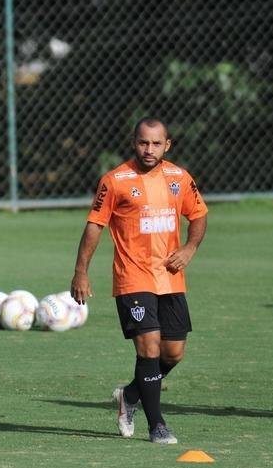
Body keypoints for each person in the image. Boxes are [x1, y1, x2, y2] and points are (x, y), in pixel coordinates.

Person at [70, 118, 208, 446]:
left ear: (167, 145)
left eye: (156, 144)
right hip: (133, 277)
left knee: (172, 353)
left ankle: (130, 395)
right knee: (148, 347)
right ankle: (157, 424)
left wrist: (189, 249)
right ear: (134, 142)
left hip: (170, 278)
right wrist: (81, 271)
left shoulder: (179, 177)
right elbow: (94, 225)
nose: (149, 149)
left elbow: (199, 215)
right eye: (143, 143)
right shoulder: (115, 180)